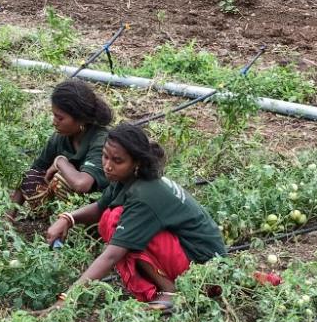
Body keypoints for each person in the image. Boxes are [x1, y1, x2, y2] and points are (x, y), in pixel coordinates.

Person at [50, 123, 224, 309]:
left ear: (137, 163)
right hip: (189, 254)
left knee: (117, 220)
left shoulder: (144, 194)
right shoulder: (127, 178)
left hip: (202, 269)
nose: (108, 166)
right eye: (105, 156)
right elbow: (100, 208)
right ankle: (165, 286)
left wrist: (66, 299)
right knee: (111, 216)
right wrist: (67, 219)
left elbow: (112, 255)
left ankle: (171, 292)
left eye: (117, 161)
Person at [16, 80, 114, 218]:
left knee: (60, 180)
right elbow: (33, 172)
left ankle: (74, 223)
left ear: (80, 119)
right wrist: (9, 217)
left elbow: (82, 184)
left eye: (60, 118)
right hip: (71, 201)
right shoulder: (61, 137)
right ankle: (53, 217)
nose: (54, 122)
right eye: (54, 115)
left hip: (98, 205)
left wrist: (60, 161)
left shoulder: (100, 140)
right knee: (31, 178)